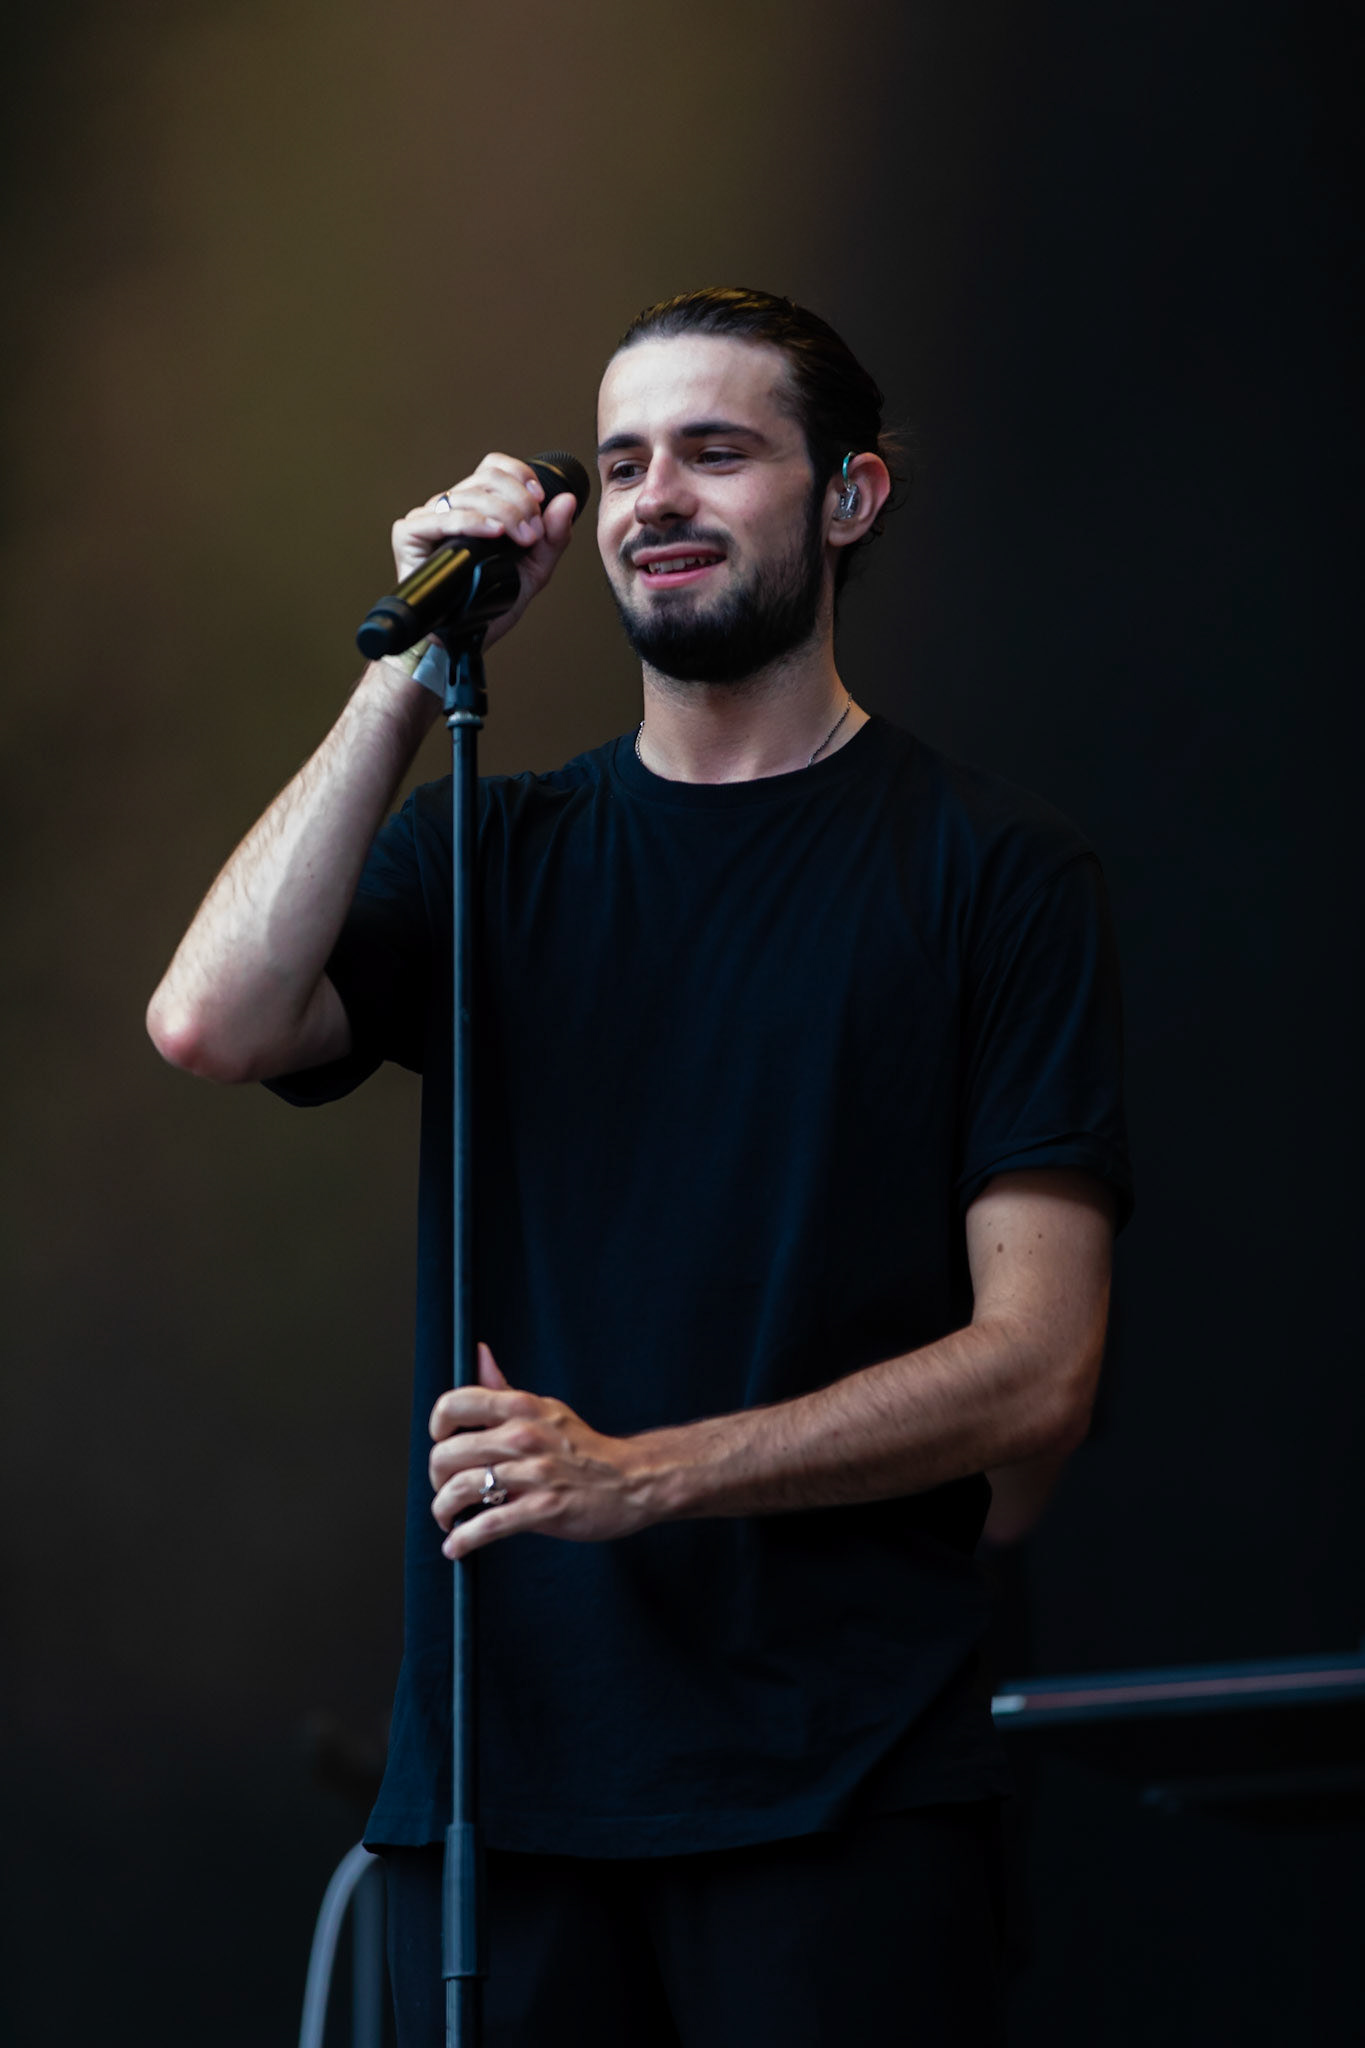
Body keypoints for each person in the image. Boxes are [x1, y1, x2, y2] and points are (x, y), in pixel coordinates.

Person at [147, 286, 1130, 2046]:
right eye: (616, 465)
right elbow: (210, 1020)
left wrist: (645, 1476)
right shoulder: (494, 851)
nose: (654, 495)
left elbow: (1038, 1365)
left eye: (715, 450)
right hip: (508, 1797)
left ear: (849, 498)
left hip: (848, 1794)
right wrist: (407, 670)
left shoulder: (992, 875)